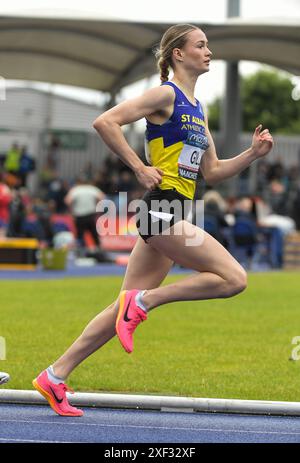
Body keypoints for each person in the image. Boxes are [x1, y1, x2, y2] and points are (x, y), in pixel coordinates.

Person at [32, 24, 274, 417]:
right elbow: (105, 121)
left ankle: (55, 376)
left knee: (118, 311)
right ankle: (145, 302)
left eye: (208, 45)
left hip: (175, 210)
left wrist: (251, 155)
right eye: (201, 45)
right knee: (234, 279)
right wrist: (140, 167)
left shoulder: (199, 110)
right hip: (162, 207)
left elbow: (211, 173)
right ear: (179, 54)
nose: (208, 51)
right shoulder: (166, 94)